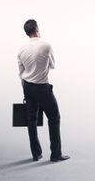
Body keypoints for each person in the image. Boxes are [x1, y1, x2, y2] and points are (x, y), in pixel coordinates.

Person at [17, 19, 70, 162]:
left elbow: (21, 70)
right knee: (54, 118)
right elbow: (52, 65)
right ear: (37, 29)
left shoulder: (21, 49)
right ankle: (55, 154)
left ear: (27, 32)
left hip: (27, 86)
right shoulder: (46, 46)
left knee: (31, 120)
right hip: (42, 87)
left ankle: (36, 154)